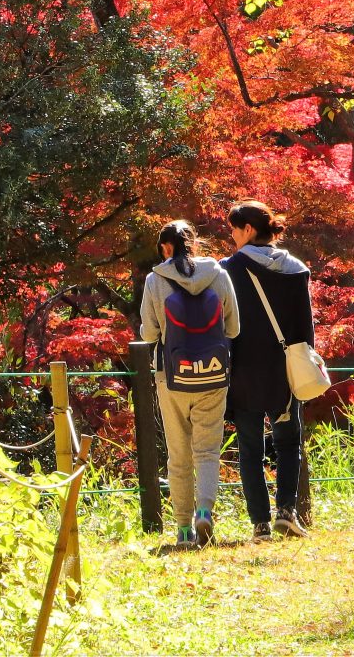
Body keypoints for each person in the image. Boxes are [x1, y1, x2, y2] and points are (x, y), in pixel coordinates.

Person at [139, 219, 240, 548]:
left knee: (179, 455)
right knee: (207, 451)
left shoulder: (155, 280)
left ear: (166, 248)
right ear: (194, 243)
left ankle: (183, 529)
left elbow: (149, 334)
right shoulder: (219, 274)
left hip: (172, 377)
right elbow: (234, 328)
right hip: (213, 374)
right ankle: (205, 513)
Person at [221, 199, 314, 540]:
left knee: (249, 446)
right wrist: (306, 362)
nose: (231, 236)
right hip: (284, 369)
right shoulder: (295, 269)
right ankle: (287, 513)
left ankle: (260, 523)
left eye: (233, 228)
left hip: (244, 368)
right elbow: (305, 327)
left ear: (248, 229)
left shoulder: (228, 270)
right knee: (289, 443)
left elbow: (224, 324)